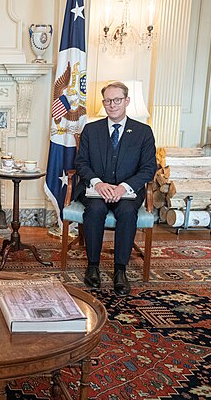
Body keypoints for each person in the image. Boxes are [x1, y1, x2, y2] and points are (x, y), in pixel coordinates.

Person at [73, 81, 157, 296]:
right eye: (108, 101)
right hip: (96, 189)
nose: (112, 105)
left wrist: (124, 187)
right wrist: (98, 183)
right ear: (104, 103)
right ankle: (93, 266)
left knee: (128, 213)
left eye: (117, 100)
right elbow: (81, 163)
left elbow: (148, 168)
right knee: (96, 210)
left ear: (126, 101)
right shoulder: (91, 130)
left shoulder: (143, 132)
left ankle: (120, 270)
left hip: (127, 192)